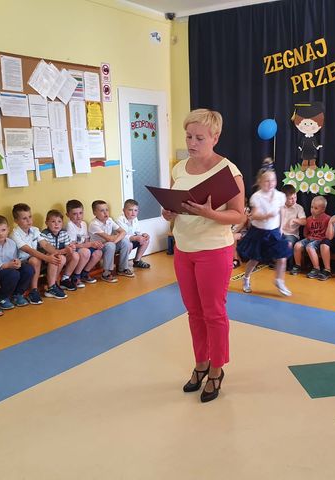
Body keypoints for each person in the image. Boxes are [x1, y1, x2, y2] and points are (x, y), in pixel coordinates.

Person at [162, 109, 245, 403]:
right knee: (194, 312)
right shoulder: (179, 169)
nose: (192, 143)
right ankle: (201, 363)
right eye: (188, 136)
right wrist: (168, 212)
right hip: (183, 249)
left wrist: (211, 214)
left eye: (199, 138)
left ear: (215, 137)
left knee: (214, 313)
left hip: (214, 250)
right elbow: (173, 206)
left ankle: (217, 369)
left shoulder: (229, 172)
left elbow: (239, 215)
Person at [238, 159, 292, 297]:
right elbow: (254, 215)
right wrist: (266, 216)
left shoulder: (280, 196)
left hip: (274, 232)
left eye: (273, 180)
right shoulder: (257, 197)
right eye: (267, 181)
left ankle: (279, 280)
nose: (270, 183)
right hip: (259, 233)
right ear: (260, 182)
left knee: (282, 256)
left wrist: (281, 227)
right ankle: (246, 278)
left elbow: (282, 211)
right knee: (254, 259)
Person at [10, 203, 65, 303]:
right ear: (16, 221)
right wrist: (46, 258)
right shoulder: (14, 234)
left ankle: (51, 286)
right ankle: (33, 291)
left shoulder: (34, 230)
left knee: (57, 257)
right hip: (22, 262)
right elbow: (29, 250)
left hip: (36, 257)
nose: (29, 220)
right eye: (24, 218)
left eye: (30, 217)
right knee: (35, 260)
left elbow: (45, 245)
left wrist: (57, 253)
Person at [0, 215, 34, 309]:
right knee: (13, 274)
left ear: (8, 229)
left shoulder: (12, 243)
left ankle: (17, 294)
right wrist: (6, 265)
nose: (0, 234)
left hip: (11, 269)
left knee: (28, 269)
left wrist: (17, 262)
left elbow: (16, 258)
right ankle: (2, 297)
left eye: (3, 230)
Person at [88, 200, 134, 281]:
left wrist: (114, 241)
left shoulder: (109, 220)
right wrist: (113, 239)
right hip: (98, 247)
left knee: (125, 242)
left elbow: (123, 232)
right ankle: (106, 273)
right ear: (95, 213)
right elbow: (109, 238)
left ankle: (122, 269)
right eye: (102, 211)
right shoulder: (94, 224)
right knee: (110, 245)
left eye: (107, 210)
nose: (105, 213)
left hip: (109, 244)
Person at [40, 209, 80, 292]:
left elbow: (68, 246)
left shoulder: (63, 233)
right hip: (48, 260)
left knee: (75, 255)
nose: (56, 224)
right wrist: (65, 250)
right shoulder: (44, 234)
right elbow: (47, 251)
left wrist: (71, 247)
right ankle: (53, 283)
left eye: (59, 221)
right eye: (53, 221)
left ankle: (65, 279)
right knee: (61, 258)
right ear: (46, 223)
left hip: (61, 257)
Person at [65, 199, 102, 286]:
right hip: (74, 251)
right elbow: (73, 245)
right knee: (86, 252)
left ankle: (84, 273)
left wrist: (94, 245)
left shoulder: (84, 224)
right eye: (75, 214)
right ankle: (76, 276)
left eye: (80, 213)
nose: (78, 216)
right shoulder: (70, 225)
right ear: (68, 215)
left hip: (83, 248)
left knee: (98, 252)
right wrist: (89, 245)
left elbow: (86, 239)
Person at [290, 195, 330, 276]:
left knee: (309, 247)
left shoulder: (327, 219)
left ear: (323, 209)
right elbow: (305, 232)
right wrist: (308, 237)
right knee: (297, 245)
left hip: (320, 240)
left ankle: (316, 268)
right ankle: (298, 265)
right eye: (311, 207)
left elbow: (328, 233)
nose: (312, 210)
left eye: (316, 208)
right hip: (310, 238)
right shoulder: (309, 219)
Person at [116, 199, 151, 269]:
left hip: (131, 240)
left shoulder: (135, 219)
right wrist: (135, 238)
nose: (133, 213)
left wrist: (143, 235)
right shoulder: (119, 220)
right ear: (124, 210)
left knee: (146, 240)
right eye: (130, 210)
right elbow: (123, 236)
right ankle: (122, 265)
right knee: (129, 244)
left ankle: (137, 261)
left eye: (135, 210)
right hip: (120, 243)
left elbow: (137, 232)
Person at [280, 184, 306, 269]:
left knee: (288, 243)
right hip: (280, 232)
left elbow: (304, 221)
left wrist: (295, 220)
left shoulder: (298, 208)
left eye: (295, 197)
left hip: (292, 234)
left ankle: (289, 265)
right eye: (291, 198)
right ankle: (275, 261)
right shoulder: (279, 207)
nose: (294, 200)